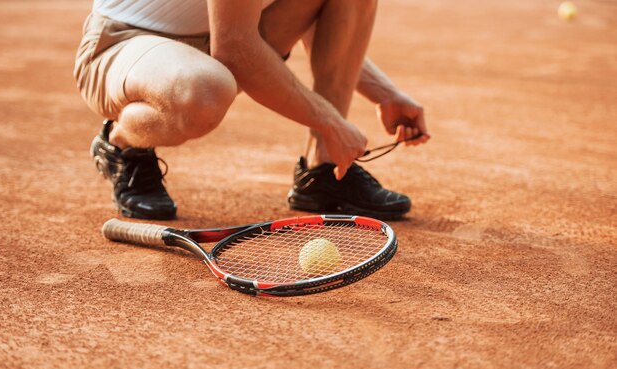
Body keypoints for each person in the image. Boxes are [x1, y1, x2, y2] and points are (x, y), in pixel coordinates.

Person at [74, 0, 430, 221]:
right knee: (206, 90)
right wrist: (331, 122)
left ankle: (325, 174)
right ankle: (121, 143)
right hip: (124, 43)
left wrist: (385, 94)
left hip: (215, 38)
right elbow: (236, 48)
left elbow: (319, 19)